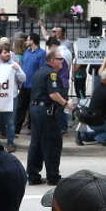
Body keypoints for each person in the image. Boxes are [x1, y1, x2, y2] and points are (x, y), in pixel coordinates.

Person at [27, 49, 69, 186]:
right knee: (52, 144)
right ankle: (53, 177)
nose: (62, 61)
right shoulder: (51, 74)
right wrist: (66, 104)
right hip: (46, 112)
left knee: (36, 143)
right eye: (59, 59)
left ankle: (33, 176)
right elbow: (53, 94)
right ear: (52, 61)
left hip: (36, 110)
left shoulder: (39, 72)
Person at [0, 44, 26, 153]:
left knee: (10, 122)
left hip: (11, 97)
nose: (7, 54)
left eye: (8, 52)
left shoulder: (13, 64)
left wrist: (17, 70)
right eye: (5, 52)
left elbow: (23, 78)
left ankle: (10, 143)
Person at [16, 34, 45, 134]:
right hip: (24, 84)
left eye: (28, 40)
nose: (26, 42)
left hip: (34, 85)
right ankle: (16, 128)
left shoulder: (41, 53)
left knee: (33, 108)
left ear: (32, 41)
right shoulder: (26, 52)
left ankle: (32, 128)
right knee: (21, 107)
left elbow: (42, 69)